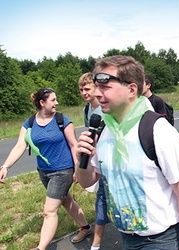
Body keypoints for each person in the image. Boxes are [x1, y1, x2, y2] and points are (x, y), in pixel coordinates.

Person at [75, 55, 179, 249]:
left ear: (132, 89)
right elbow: (88, 181)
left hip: (160, 239)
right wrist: (80, 159)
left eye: (105, 87)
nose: (97, 94)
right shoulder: (106, 130)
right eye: (96, 87)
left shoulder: (157, 130)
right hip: (126, 235)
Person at [0, 88, 92, 250]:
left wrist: (78, 169)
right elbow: (20, 145)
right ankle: (86, 227)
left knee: (49, 211)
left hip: (63, 170)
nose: (57, 103)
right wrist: (6, 166)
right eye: (53, 100)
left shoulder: (62, 120)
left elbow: (73, 145)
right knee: (65, 200)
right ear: (42, 103)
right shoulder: (29, 123)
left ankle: (40, 248)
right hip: (43, 171)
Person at [78, 72, 109, 250]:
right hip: (97, 161)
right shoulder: (86, 110)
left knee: (103, 200)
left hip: (109, 159)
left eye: (87, 88)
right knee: (101, 200)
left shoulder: (105, 109)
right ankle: (96, 244)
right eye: (81, 89)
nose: (84, 92)